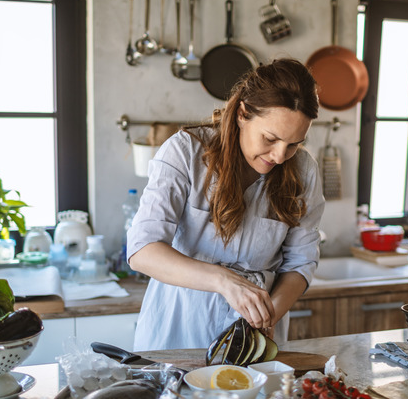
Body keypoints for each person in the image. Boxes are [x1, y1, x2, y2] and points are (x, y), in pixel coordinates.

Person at [127, 58, 325, 351]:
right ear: (243, 114)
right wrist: (224, 281)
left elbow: (301, 262)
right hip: (178, 332)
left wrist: (267, 315)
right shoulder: (186, 152)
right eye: (270, 138)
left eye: (294, 143)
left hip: (256, 340)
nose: (281, 156)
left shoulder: (303, 170)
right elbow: (143, 250)